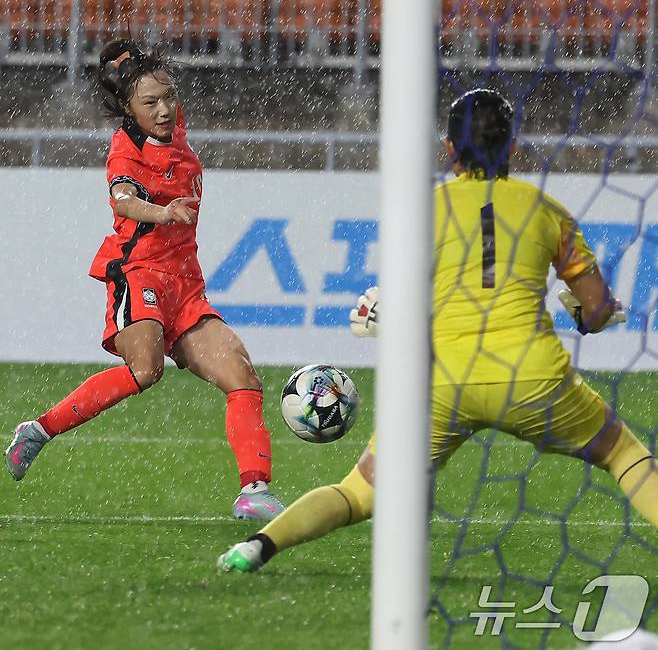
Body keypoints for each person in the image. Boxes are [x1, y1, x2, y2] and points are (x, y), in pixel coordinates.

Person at [218, 88, 658, 571]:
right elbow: (597, 310)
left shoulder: (423, 210)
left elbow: (406, 301)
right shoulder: (546, 210)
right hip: (531, 377)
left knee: (359, 493)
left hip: (444, 383)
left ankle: (258, 546)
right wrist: (586, 315)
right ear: (513, 146)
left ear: (449, 148)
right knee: (622, 452)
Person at [5, 38, 285, 521]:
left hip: (187, 284)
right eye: (150, 102)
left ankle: (253, 490)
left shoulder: (173, 126)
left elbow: (141, 73)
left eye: (169, 97)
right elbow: (123, 200)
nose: (164, 109)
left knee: (243, 377)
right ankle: (39, 430)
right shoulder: (125, 151)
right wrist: (163, 212)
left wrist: (130, 62)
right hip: (139, 272)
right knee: (146, 371)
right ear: (127, 109)